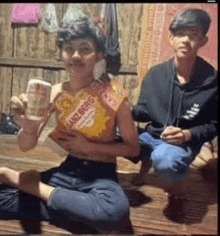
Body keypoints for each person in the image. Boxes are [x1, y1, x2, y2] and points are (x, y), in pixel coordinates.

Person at [0, 17, 140, 233]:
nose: (75, 55)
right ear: (61, 54)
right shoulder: (54, 93)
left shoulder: (115, 95)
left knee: (115, 212)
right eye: (68, 49)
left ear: (99, 55)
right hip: (66, 172)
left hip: (101, 176)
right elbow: (26, 146)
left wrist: (91, 148)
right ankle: (72, 207)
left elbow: (133, 148)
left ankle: (32, 187)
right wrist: (27, 127)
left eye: (84, 49)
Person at [132, 8, 218, 200]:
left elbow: (214, 124)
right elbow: (144, 113)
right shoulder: (155, 74)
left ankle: (177, 177)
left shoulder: (213, 81)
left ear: (203, 40)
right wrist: (123, 109)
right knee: (110, 132)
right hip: (151, 135)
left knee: (165, 160)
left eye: (193, 34)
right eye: (180, 34)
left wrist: (188, 134)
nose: (185, 40)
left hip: (183, 143)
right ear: (171, 39)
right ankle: (145, 165)